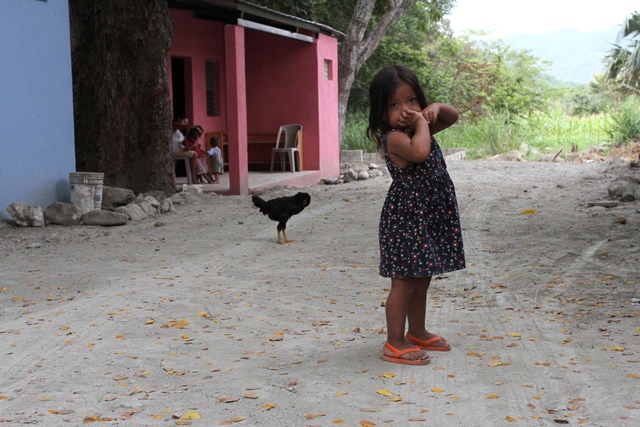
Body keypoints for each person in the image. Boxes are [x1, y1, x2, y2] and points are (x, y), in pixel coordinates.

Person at [366, 65, 466, 365]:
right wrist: (422, 121)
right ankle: (394, 342)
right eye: (394, 105)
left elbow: (452, 116)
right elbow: (420, 153)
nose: (405, 110)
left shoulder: (418, 128)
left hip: (427, 216)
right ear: (381, 114)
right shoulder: (396, 138)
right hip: (406, 219)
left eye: (412, 100)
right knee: (404, 281)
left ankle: (418, 331)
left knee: (422, 277)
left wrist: (435, 108)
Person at [172, 115, 197, 182]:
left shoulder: (179, 132)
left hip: (180, 148)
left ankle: (198, 174)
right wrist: (198, 126)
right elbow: (184, 126)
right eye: (184, 122)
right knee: (194, 154)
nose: (185, 124)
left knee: (196, 153)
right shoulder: (173, 125)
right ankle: (193, 177)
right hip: (175, 150)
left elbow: (185, 140)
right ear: (179, 119)